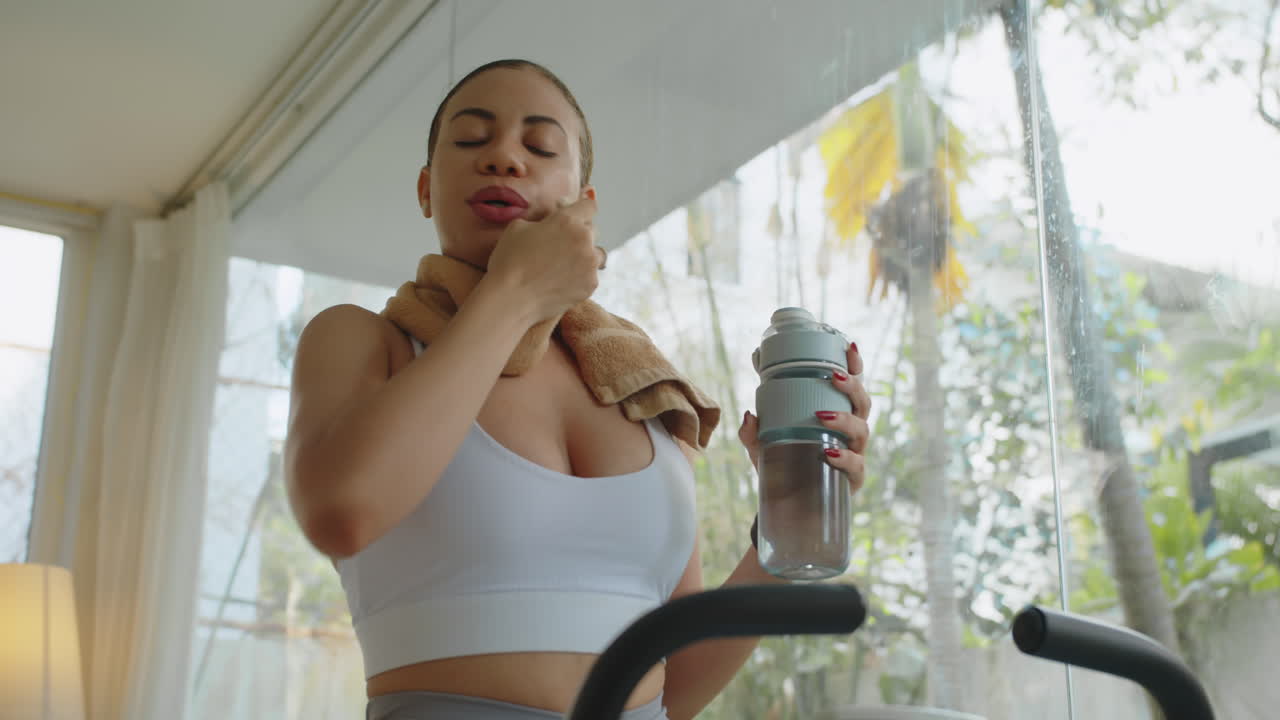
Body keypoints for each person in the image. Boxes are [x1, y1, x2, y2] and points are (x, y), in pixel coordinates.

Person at [283, 58, 872, 720]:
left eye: (539, 146)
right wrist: (515, 290)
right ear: (426, 189)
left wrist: (786, 523)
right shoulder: (364, 340)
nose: (505, 158)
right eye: (472, 139)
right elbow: (342, 512)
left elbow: (674, 684)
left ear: (584, 204)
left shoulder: (641, 390)